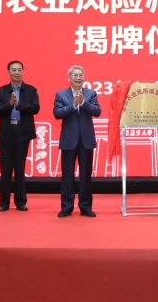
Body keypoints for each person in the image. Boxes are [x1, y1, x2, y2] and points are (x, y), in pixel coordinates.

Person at [53, 66, 102, 218]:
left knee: (86, 175)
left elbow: (97, 111)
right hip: (69, 139)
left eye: (81, 75)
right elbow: (57, 113)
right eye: (75, 75)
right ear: (69, 78)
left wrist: (83, 103)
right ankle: (66, 207)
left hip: (86, 139)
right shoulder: (61, 94)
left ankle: (85, 207)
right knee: (67, 175)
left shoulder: (91, 93)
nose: (78, 77)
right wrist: (73, 105)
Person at [0, 61, 40, 212]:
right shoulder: (1, 91)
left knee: (20, 167)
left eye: (19, 70)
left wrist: (18, 105)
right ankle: (4, 203)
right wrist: (9, 104)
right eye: (13, 70)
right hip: (6, 132)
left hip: (22, 131)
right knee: (5, 168)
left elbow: (35, 108)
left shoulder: (31, 90)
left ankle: (20, 202)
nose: (17, 73)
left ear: (23, 71)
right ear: (8, 72)